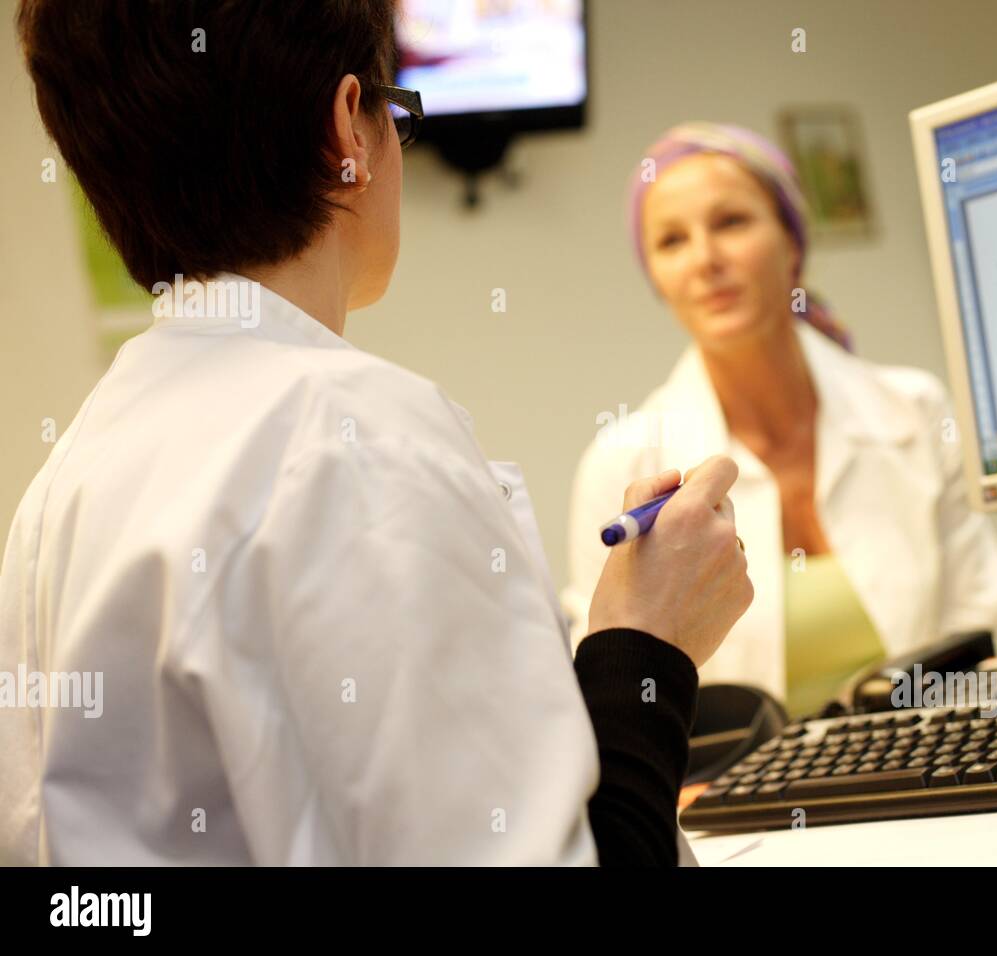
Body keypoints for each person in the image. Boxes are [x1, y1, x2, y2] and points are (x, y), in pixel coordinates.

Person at [0, 1, 751, 866]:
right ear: (345, 130)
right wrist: (644, 647)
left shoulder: (63, 486)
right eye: (396, 115)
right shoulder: (355, 444)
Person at [564, 122, 997, 719]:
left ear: (792, 242)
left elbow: (986, 639)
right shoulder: (624, 463)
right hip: (724, 800)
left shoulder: (916, 411)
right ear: (658, 279)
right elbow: (610, 695)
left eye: (731, 223)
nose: (705, 259)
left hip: (933, 771)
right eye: (672, 241)